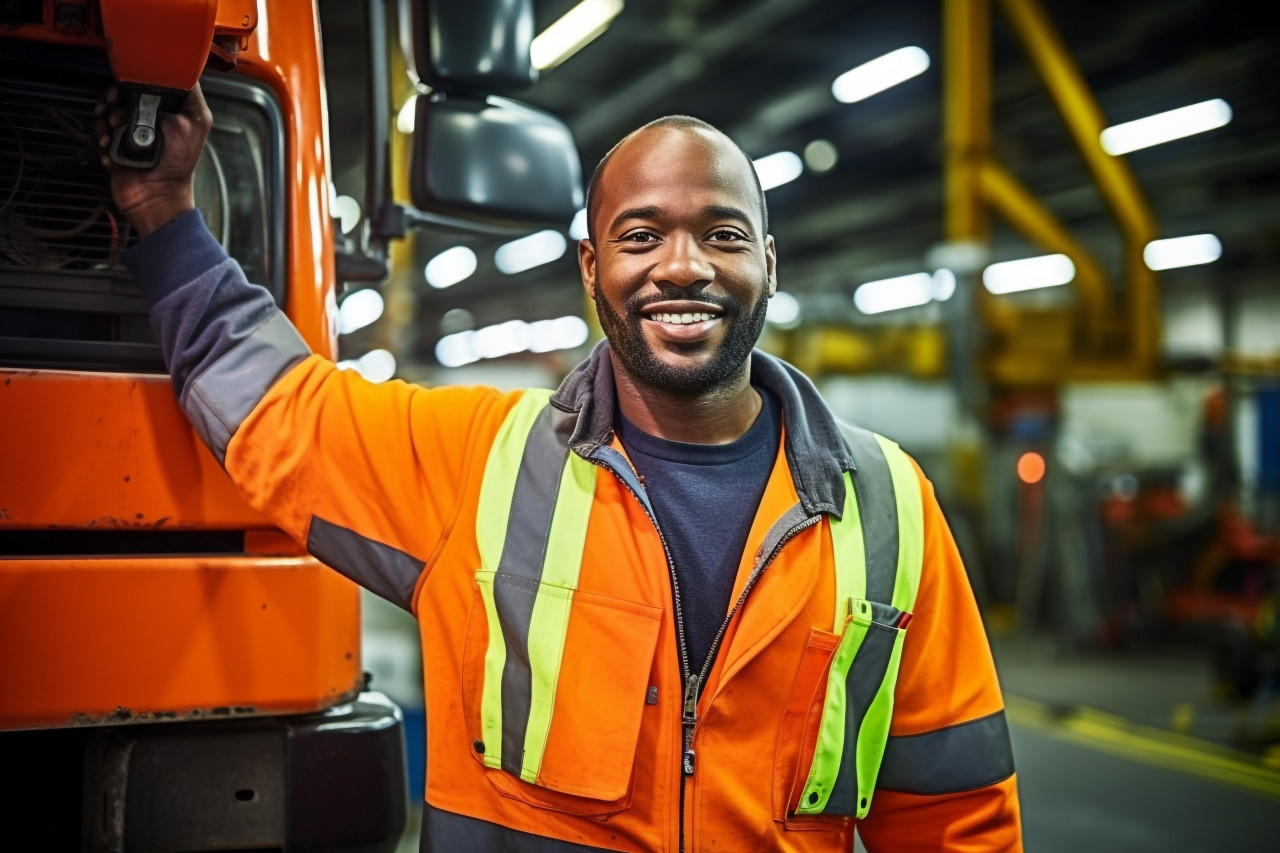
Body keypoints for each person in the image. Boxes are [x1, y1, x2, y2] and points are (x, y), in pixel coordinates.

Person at [97, 85, 1022, 852]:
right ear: (591, 266)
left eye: (724, 235)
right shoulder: (477, 464)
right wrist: (163, 216)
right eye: (641, 234)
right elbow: (278, 412)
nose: (684, 265)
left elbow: (956, 812)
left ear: (768, 264)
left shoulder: (890, 502)